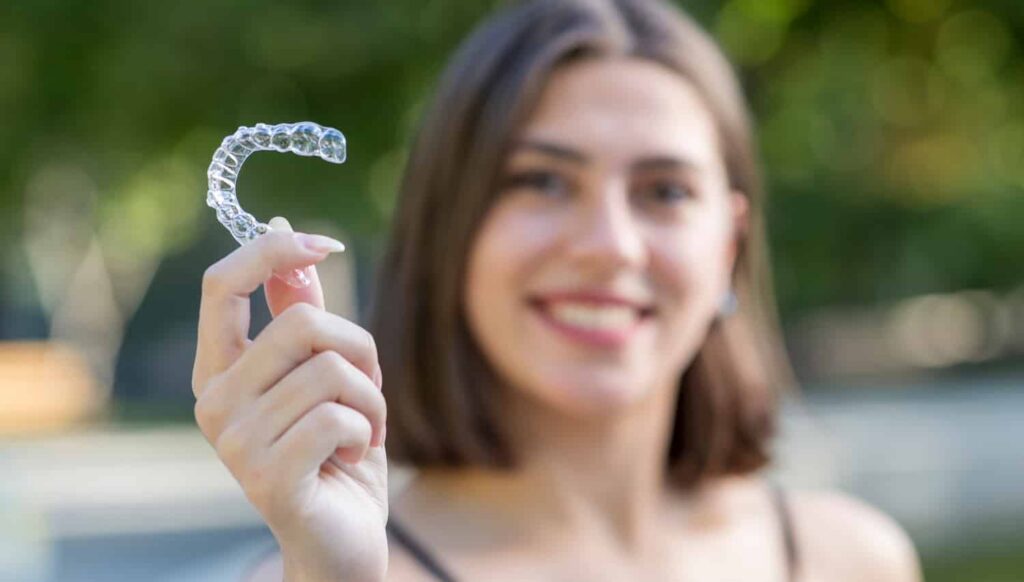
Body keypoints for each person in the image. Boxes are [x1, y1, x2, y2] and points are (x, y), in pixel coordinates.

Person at [191, 0, 923, 580]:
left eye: (664, 190)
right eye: (541, 181)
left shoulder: (854, 561)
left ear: (727, 247)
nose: (608, 246)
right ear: (452, 229)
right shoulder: (331, 573)